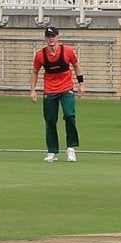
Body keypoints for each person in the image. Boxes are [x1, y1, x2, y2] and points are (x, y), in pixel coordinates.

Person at [30, 25, 83, 161]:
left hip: (66, 88)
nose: (51, 39)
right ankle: (52, 151)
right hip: (50, 90)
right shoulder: (40, 55)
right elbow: (35, 72)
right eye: (48, 37)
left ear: (58, 37)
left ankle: (71, 147)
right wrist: (33, 90)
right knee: (50, 120)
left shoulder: (68, 51)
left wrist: (81, 84)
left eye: (53, 36)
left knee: (69, 115)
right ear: (45, 38)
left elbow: (76, 66)